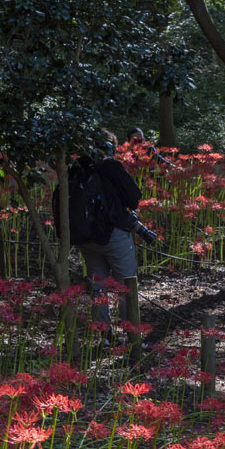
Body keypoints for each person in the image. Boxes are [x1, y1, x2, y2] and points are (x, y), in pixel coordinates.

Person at [80, 130, 145, 336]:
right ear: (110, 147)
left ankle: (104, 335)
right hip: (113, 234)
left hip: (86, 237)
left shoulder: (79, 167)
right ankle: (131, 335)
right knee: (127, 285)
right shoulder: (111, 166)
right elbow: (134, 197)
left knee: (97, 288)